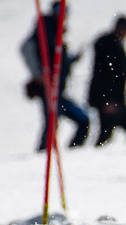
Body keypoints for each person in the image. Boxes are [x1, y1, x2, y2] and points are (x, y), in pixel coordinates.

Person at [22, 1, 89, 150]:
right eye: (59, 10)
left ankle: (71, 152)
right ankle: (43, 153)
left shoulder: (57, 32)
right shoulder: (45, 26)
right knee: (53, 120)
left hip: (58, 88)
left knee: (80, 120)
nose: (62, 14)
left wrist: (72, 60)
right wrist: (38, 73)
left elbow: (57, 60)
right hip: (47, 87)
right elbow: (26, 47)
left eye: (64, 11)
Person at [88, 15, 126, 146]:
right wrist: (107, 101)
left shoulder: (116, 46)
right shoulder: (107, 45)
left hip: (116, 100)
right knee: (106, 135)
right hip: (107, 100)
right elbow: (104, 76)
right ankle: (95, 160)